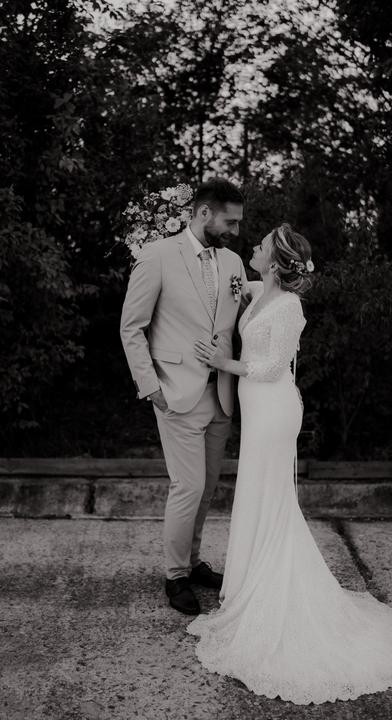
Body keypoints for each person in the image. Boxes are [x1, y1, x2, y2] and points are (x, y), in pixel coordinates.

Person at [187, 223, 392, 705]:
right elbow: (235, 287)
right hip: (256, 409)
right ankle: (250, 584)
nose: (253, 247)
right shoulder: (259, 291)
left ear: (276, 262)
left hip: (274, 410)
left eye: (261, 246)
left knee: (270, 496)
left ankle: (272, 593)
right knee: (258, 493)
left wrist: (222, 362)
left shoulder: (290, 307)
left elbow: (271, 368)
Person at [120, 178, 250, 616]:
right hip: (176, 392)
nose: (235, 230)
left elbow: (242, 314)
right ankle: (174, 575)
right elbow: (131, 327)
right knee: (188, 486)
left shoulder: (233, 262)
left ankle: (193, 563)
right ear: (203, 213)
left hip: (222, 394)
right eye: (230, 221)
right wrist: (150, 386)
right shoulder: (157, 256)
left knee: (207, 488)